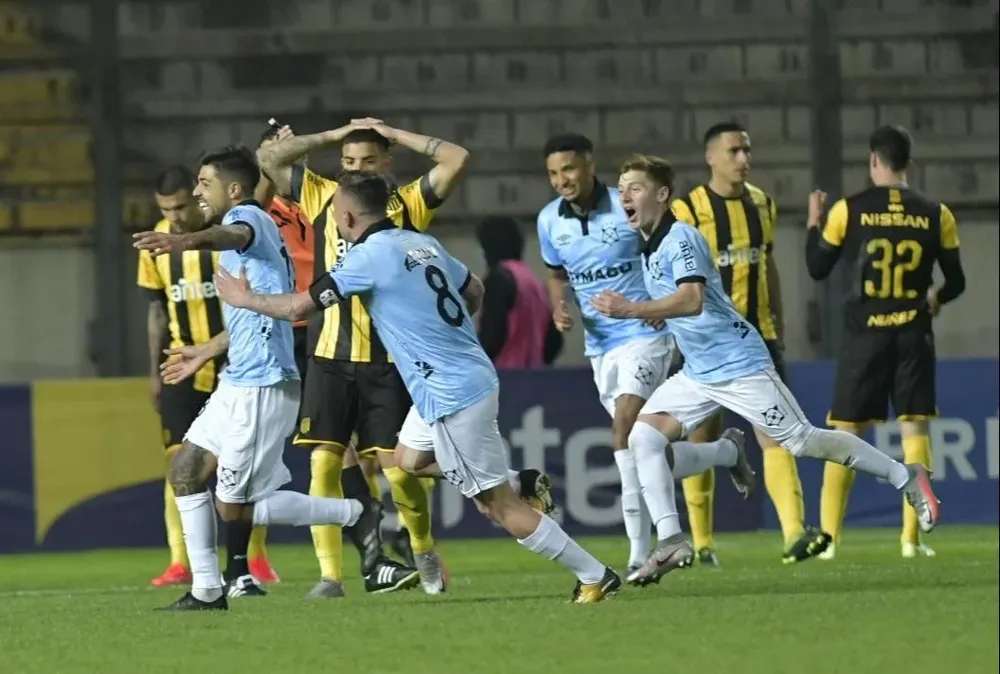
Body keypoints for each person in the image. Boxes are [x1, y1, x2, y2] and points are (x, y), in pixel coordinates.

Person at [214, 170, 619, 602]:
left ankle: (594, 574)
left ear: (348, 216)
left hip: (448, 392)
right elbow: (474, 289)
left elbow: (299, 305)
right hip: (465, 374)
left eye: (335, 214)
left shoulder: (365, 257)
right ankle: (521, 480)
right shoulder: (422, 243)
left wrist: (246, 300)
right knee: (408, 458)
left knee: (495, 505)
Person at [591, 154, 940, 586]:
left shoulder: (680, 237)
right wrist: (659, 314)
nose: (624, 195)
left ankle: (905, 475)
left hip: (739, 365)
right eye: (622, 187)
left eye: (636, 187)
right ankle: (675, 536)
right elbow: (685, 304)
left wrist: (634, 308)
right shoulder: (649, 245)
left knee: (802, 441)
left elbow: (693, 298)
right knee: (642, 439)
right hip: (700, 371)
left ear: (662, 196)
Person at [257, 117, 553, 597]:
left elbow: (456, 158)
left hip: (389, 359)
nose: (355, 170)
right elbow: (268, 159)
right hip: (328, 354)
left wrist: (393, 131)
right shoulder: (321, 195)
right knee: (323, 464)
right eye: (348, 161)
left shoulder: (407, 204)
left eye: (368, 160)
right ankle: (330, 576)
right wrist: (333, 135)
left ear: (387, 164)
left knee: (399, 470)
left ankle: (422, 548)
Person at [133, 145, 383, 611]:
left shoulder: (252, 221)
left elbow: (233, 233)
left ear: (233, 189)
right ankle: (208, 590)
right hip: (237, 380)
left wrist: (185, 241)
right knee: (185, 472)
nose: (197, 192)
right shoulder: (246, 234)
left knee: (238, 504)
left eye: (204, 184)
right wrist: (206, 350)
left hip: (264, 384)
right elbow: (253, 313)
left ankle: (357, 511)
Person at [536, 133, 754, 578]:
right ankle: (724, 453)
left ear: (589, 165)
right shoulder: (548, 221)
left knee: (624, 429)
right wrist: (558, 302)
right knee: (647, 449)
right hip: (600, 347)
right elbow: (556, 272)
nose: (562, 180)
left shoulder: (627, 202)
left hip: (644, 332)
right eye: (554, 173)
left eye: (570, 170)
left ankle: (639, 553)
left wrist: (659, 303)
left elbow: (668, 244)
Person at [670, 122, 830, 566]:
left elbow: (767, 262)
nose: (743, 159)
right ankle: (702, 544)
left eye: (747, 150)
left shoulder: (763, 203)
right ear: (711, 158)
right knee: (704, 434)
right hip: (704, 343)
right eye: (734, 151)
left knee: (776, 434)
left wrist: (776, 317)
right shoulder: (688, 209)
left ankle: (795, 534)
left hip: (756, 339)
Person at [806, 125, 965, 560]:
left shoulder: (849, 209)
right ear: (907, 164)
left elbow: (818, 267)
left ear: (874, 161)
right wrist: (936, 297)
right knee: (913, 429)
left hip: (866, 336)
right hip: (913, 335)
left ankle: (830, 541)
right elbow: (957, 281)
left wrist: (813, 223)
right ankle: (912, 540)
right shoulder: (936, 213)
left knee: (846, 433)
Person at [137, 165, 278, 588]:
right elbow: (157, 309)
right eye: (166, 209)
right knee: (178, 462)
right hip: (183, 364)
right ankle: (181, 562)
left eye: (180, 206)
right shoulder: (155, 244)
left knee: (243, 465)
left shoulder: (228, 232)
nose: (174, 217)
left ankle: (254, 558)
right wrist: (154, 373)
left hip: (236, 364)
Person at [476, 215, 562, 367]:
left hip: (505, 376)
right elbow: (554, 341)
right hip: (535, 378)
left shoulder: (499, 278)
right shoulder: (534, 282)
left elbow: (492, 336)